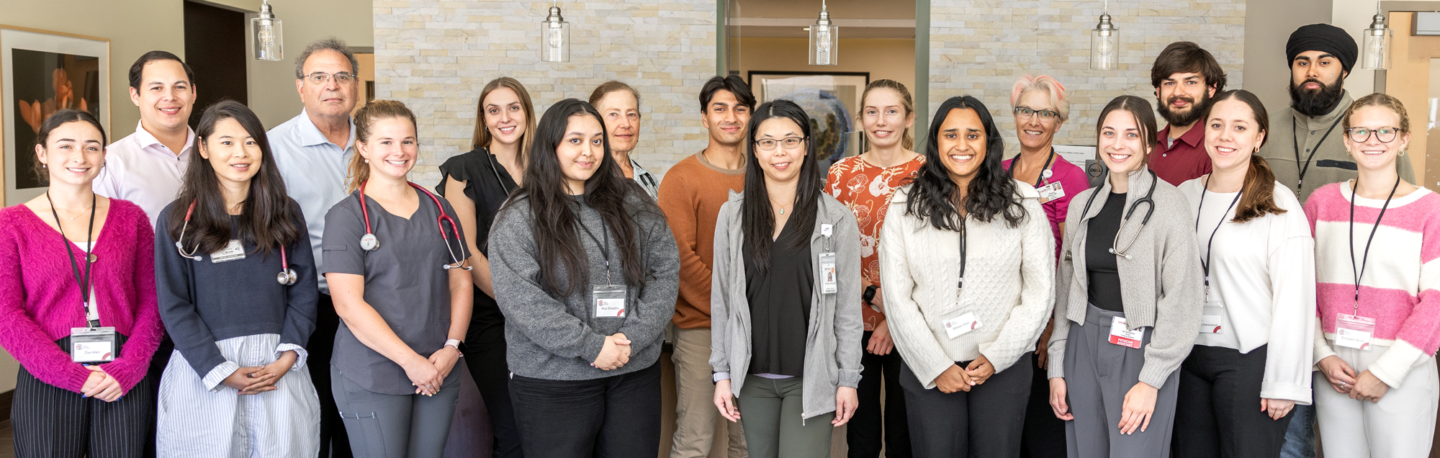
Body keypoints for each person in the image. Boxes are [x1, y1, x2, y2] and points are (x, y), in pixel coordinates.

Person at [488, 98, 679, 456]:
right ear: (551, 145)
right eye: (575, 140)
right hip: (554, 380)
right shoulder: (520, 214)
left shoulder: (633, 201)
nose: (588, 152)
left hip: (632, 373)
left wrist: (629, 339)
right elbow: (521, 299)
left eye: (596, 140)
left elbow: (664, 272)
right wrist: (592, 346)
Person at [875, 96, 1054, 457]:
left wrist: (998, 356)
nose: (961, 145)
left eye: (972, 135)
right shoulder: (904, 206)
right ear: (936, 142)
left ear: (988, 141)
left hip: (1002, 366)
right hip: (929, 366)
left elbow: (1040, 291)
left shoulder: (1023, 203)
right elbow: (897, 298)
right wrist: (935, 365)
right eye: (950, 134)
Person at [153, 100, 321, 457]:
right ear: (203, 148)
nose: (240, 153)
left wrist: (286, 357)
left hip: (279, 365)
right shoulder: (178, 221)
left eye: (250, 141)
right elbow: (174, 304)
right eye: (226, 142)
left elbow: (304, 291)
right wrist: (219, 369)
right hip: (207, 368)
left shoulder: (286, 214)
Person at [0, 110, 164, 457]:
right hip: (47, 373)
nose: (79, 157)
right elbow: (6, 315)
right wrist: (71, 375)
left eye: (92, 147)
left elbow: (153, 302)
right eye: (66, 146)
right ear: (42, 153)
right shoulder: (10, 225)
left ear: (104, 156)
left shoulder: (131, 218)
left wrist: (129, 367)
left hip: (121, 375)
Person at [1047, 95, 1204, 457]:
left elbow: (1182, 298)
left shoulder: (1170, 204)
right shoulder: (1081, 206)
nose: (1118, 145)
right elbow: (1066, 288)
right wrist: (1057, 366)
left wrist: (1151, 380)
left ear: (1149, 143)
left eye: (1131, 135)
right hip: (1081, 345)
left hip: (1144, 350)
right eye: (1109, 133)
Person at [710, 99, 862, 458]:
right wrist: (721, 373)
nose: (780, 152)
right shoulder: (732, 216)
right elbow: (722, 302)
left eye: (790, 140)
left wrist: (848, 380)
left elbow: (847, 311)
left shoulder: (836, 219)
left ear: (807, 147)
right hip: (752, 379)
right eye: (768, 142)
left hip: (810, 379)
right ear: (755, 150)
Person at [321, 100, 473, 458]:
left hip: (439, 365)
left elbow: (461, 280)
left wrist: (453, 347)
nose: (399, 151)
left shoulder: (439, 208)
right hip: (374, 372)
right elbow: (347, 304)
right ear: (363, 148)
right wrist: (411, 362)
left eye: (408, 141)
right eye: (386, 142)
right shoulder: (346, 217)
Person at [1172, 90, 1315, 458]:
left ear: (1259, 137)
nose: (1225, 136)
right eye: (1217, 125)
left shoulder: (1279, 205)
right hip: (1188, 356)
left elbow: (1295, 299)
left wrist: (1285, 382)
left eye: (1239, 127)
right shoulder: (1183, 196)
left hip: (1249, 358)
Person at [1306, 93, 1440, 458]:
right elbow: (1301, 288)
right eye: (1361, 132)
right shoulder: (1321, 203)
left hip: (1402, 361)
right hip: (1335, 362)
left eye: (1385, 131)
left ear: (1404, 139)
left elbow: (1436, 304)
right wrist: (1321, 354)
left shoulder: (1431, 210)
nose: (1373, 141)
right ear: (1347, 141)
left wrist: (1387, 371)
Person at [89, 50, 198, 458]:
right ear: (135, 95)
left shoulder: (217, 152)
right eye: (156, 88)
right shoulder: (113, 162)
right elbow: (101, 253)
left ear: (192, 94)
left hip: (213, 312)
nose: (169, 97)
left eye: (179, 87)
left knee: (203, 428)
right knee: (151, 430)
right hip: (147, 319)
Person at [435, 76, 535, 458]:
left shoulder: (547, 170)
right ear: (484, 118)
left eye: (513, 107)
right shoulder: (464, 170)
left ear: (527, 112)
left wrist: (544, 312)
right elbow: (468, 253)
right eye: (494, 110)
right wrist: (523, 307)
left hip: (545, 318)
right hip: (491, 317)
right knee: (513, 429)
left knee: (542, 424)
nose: (505, 117)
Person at [269, 38, 360, 458]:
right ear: (301, 86)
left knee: (362, 419)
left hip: (378, 300)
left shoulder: (376, 143)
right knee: (316, 415)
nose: (332, 85)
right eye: (319, 76)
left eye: (342, 76)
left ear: (356, 86)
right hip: (313, 304)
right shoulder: (273, 148)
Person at [826, 78, 922, 458]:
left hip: (912, 324)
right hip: (852, 320)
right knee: (860, 437)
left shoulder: (929, 174)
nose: (881, 120)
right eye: (872, 111)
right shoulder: (840, 175)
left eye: (892, 111)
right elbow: (828, 253)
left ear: (909, 118)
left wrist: (893, 318)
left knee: (904, 435)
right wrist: (870, 295)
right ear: (861, 120)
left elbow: (936, 257)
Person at [661, 75, 755, 458]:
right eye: (720, 108)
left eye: (740, 108)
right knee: (695, 439)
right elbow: (680, 261)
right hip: (701, 328)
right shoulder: (681, 178)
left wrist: (754, 313)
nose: (730, 117)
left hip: (757, 331)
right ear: (704, 118)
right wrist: (734, 308)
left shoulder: (768, 175)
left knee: (749, 440)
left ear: (750, 116)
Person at [1001, 74, 1090, 458]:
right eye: (1025, 110)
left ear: (1059, 121)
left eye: (1045, 113)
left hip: (1044, 322)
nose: (1033, 121)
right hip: (1000, 319)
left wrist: (1053, 326)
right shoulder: (997, 171)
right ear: (1014, 114)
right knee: (1004, 434)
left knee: (1040, 434)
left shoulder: (1071, 178)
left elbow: (1072, 259)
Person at [1257, 24, 1415, 206]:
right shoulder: (1263, 127)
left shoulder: (1378, 132)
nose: (1311, 72)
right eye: (1302, 63)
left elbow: (1408, 205)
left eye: (1324, 63)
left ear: (1345, 71)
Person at [1147, 42, 1225, 186]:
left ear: (1211, 89)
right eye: (1170, 83)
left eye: (1190, 82)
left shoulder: (1220, 148)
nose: (1178, 92)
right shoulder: (1144, 144)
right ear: (1158, 91)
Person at [590, 81, 660, 199]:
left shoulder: (648, 180)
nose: (626, 124)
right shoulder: (584, 178)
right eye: (613, 114)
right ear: (594, 121)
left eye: (631, 114)